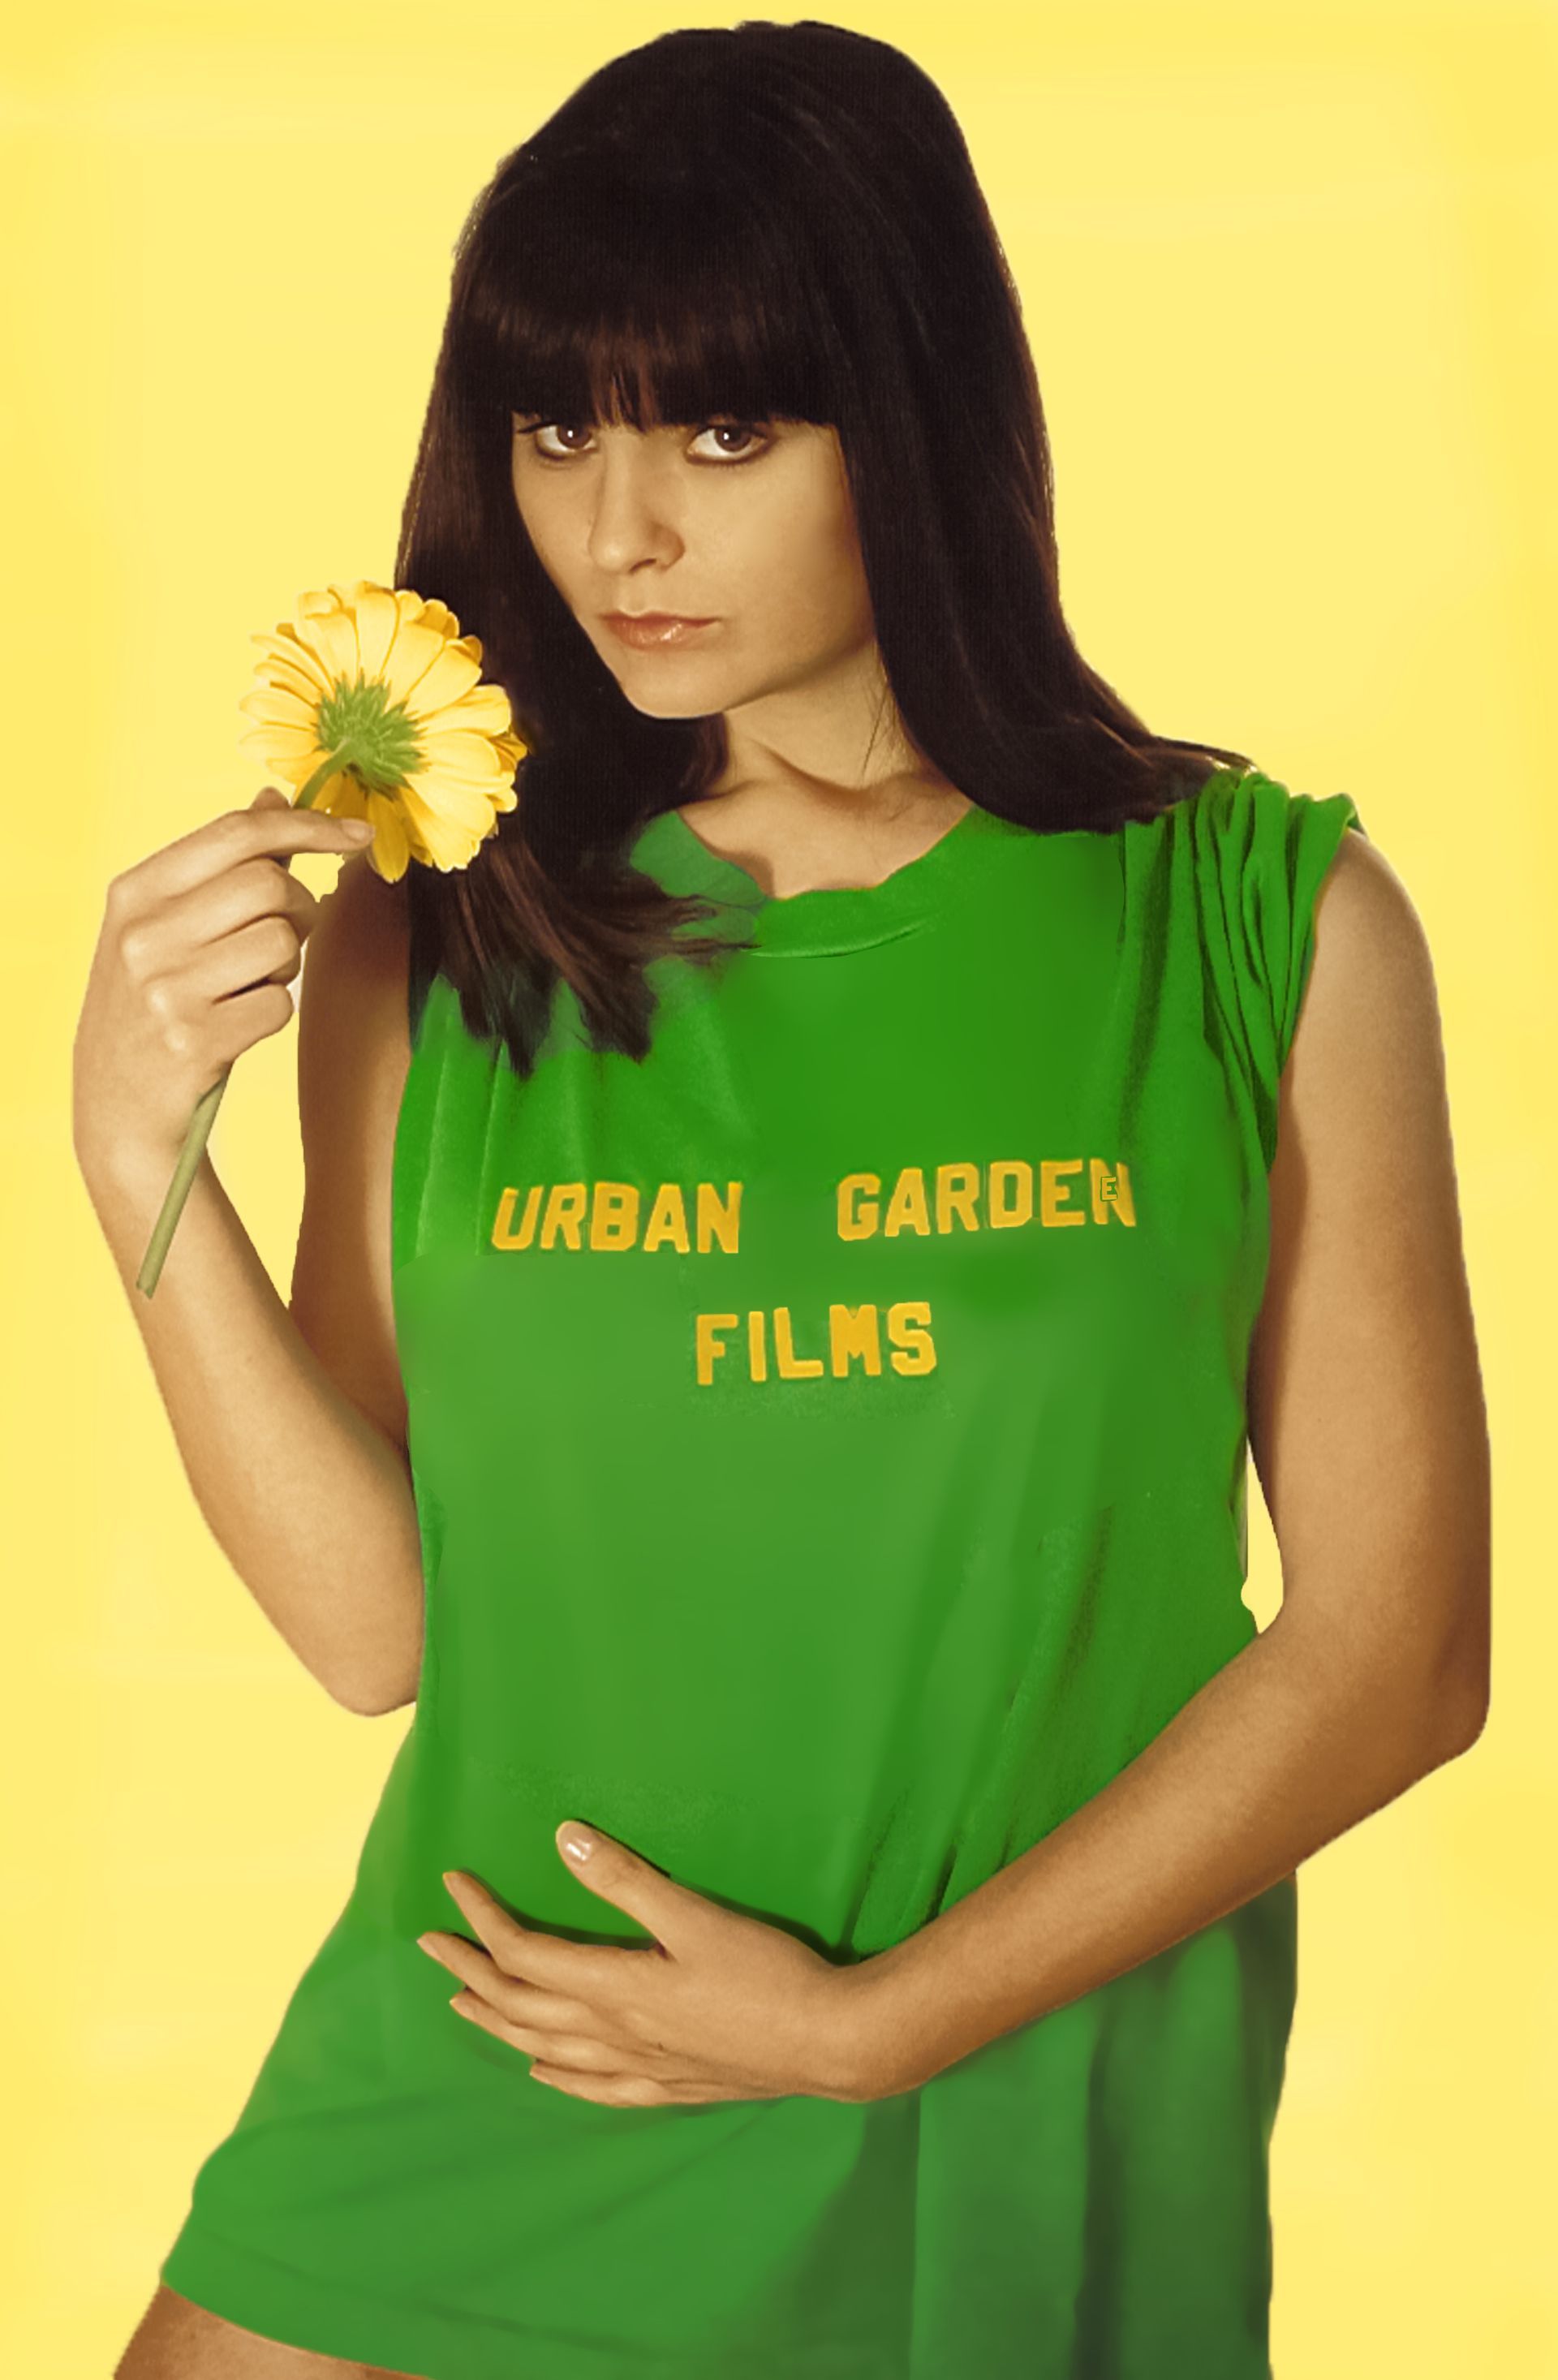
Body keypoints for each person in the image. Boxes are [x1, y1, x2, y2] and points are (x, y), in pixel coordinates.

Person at [78, 22, 1490, 2380]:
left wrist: (873, 2027)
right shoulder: (458, 936)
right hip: (516, 2042)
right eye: (560, 432)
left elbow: (1399, 1655)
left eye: (724, 433)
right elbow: (373, 1627)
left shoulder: (1263, 925)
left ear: (912, 412)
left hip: (1014, 2071)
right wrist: (138, 1154)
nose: (621, 530)